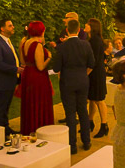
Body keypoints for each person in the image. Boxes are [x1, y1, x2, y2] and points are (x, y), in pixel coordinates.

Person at [53, 18, 96, 154]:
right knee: (83, 110)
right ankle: (86, 141)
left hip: (67, 82)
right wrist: (84, 74)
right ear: (79, 30)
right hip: (82, 81)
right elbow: (92, 64)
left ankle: (72, 145)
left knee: (70, 113)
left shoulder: (62, 47)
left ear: (67, 30)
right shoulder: (86, 45)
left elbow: (56, 68)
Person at [0, 19, 23, 138]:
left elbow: (11, 58)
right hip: (2, 81)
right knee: (1, 107)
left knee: (6, 106)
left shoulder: (7, 41)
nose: (13, 27)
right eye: (10, 26)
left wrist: (19, 66)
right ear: (2, 29)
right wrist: (16, 69)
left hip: (9, 80)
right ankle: (0, 132)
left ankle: (6, 128)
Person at [19, 21, 54, 135]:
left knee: (30, 103)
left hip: (28, 75)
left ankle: (29, 128)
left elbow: (23, 62)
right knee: (39, 102)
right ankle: (40, 128)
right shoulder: (37, 45)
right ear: (41, 31)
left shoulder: (25, 43)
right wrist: (49, 57)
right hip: (37, 78)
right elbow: (40, 66)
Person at [86, 18, 109, 138]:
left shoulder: (95, 41)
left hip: (96, 73)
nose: (85, 25)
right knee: (92, 98)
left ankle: (104, 125)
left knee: (99, 99)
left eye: (87, 25)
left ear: (92, 27)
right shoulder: (91, 39)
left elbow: (93, 61)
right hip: (94, 72)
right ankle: (90, 122)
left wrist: (86, 73)